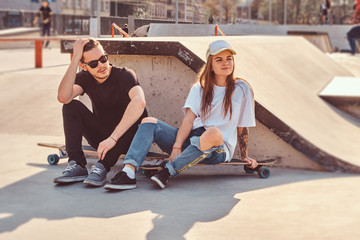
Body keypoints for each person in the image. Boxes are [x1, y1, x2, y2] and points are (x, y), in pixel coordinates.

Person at [104, 39, 258, 191]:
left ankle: (167, 172)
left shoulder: (242, 89)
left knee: (212, 132)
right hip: (192, 140)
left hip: (219, 147)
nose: (226, 63)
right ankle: (128, 173)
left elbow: (243, 125)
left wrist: (244, 155)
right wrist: (177, 145)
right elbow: (189, 120)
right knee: (148, 122)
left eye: (229, 59)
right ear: (210, 64)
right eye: (219, 59)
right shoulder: (199, 89)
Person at [54, 38, 148, 187]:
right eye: (93, 63)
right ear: (84, 66)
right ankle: (77, 164)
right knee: (70, 105)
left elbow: (140, 101)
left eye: (103, 59)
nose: (101, 65)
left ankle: (102, 166)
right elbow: (63, 97)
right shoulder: (85, 78)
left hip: (125, 139)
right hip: (101, 139)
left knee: (140, 114)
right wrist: (75, 60)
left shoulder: (124, 75)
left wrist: (113, 138)